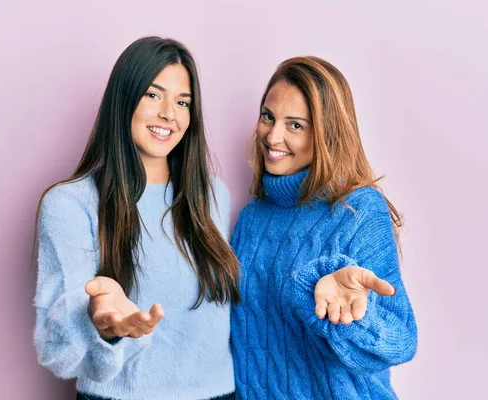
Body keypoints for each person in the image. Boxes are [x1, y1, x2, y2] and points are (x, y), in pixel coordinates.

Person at [33, 36, 239, 400]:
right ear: (124, 99)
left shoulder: (213, 196)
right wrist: (105, 328)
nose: (169, 115)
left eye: (182, 102)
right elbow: (59, 355)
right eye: (153, 95)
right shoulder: (70, 204)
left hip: (220, 393)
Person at [230, 56, 418, 399]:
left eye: (295, 125)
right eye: (268, 117)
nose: (273, 136)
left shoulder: (357, 208)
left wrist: (351, 314)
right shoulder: (251, 218)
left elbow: (400, 340)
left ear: (326, 133)